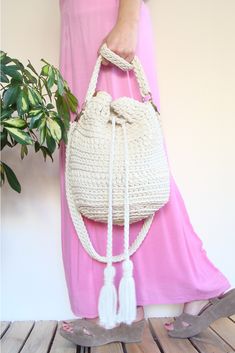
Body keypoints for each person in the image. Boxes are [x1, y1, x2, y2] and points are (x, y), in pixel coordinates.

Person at [58, 0, 234, 345]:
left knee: (134, 165)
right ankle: (126, 309)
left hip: (106, 17)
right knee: (89, 164)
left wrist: (128, 18)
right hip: (75, 25)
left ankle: (198, 287)